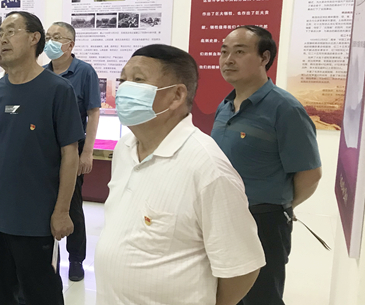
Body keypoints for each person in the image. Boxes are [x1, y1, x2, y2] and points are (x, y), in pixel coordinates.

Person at [95, 44, 265, 305]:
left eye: (138, 80)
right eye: (123, 80)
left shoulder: (208, 168)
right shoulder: (125, 148)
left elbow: (241, 268)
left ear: (176, 96)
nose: (124, 89)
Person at [0, 11, 84, 305]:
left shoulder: (58, 90)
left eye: (11, 31)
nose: (1, 39)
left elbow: (70, 155)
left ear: (34, 38)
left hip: (36, 220)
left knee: (40, 294)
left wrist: (62, 211)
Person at [212, 26, 322, 305]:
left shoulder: (285, 109)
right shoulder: (226, 105)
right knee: (224, 295)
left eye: (239, 52)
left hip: (263, 222)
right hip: (222, 217)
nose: (228, 60)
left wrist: (278, 207)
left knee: (261, 297)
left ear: (264, 58)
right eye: (224, 52)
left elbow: (310, 174)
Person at [43, 22, 101, 282]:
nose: (50, 41)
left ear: (70, 44)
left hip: (73, 151)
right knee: (45, 204)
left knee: (72, 205)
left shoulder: (84, 72)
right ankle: (48, 255)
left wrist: (87, 152)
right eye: (48, 37)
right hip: (46, 151)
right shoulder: (42, 73)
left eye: (56, 37)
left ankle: (76, 259)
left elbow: (93, 112)